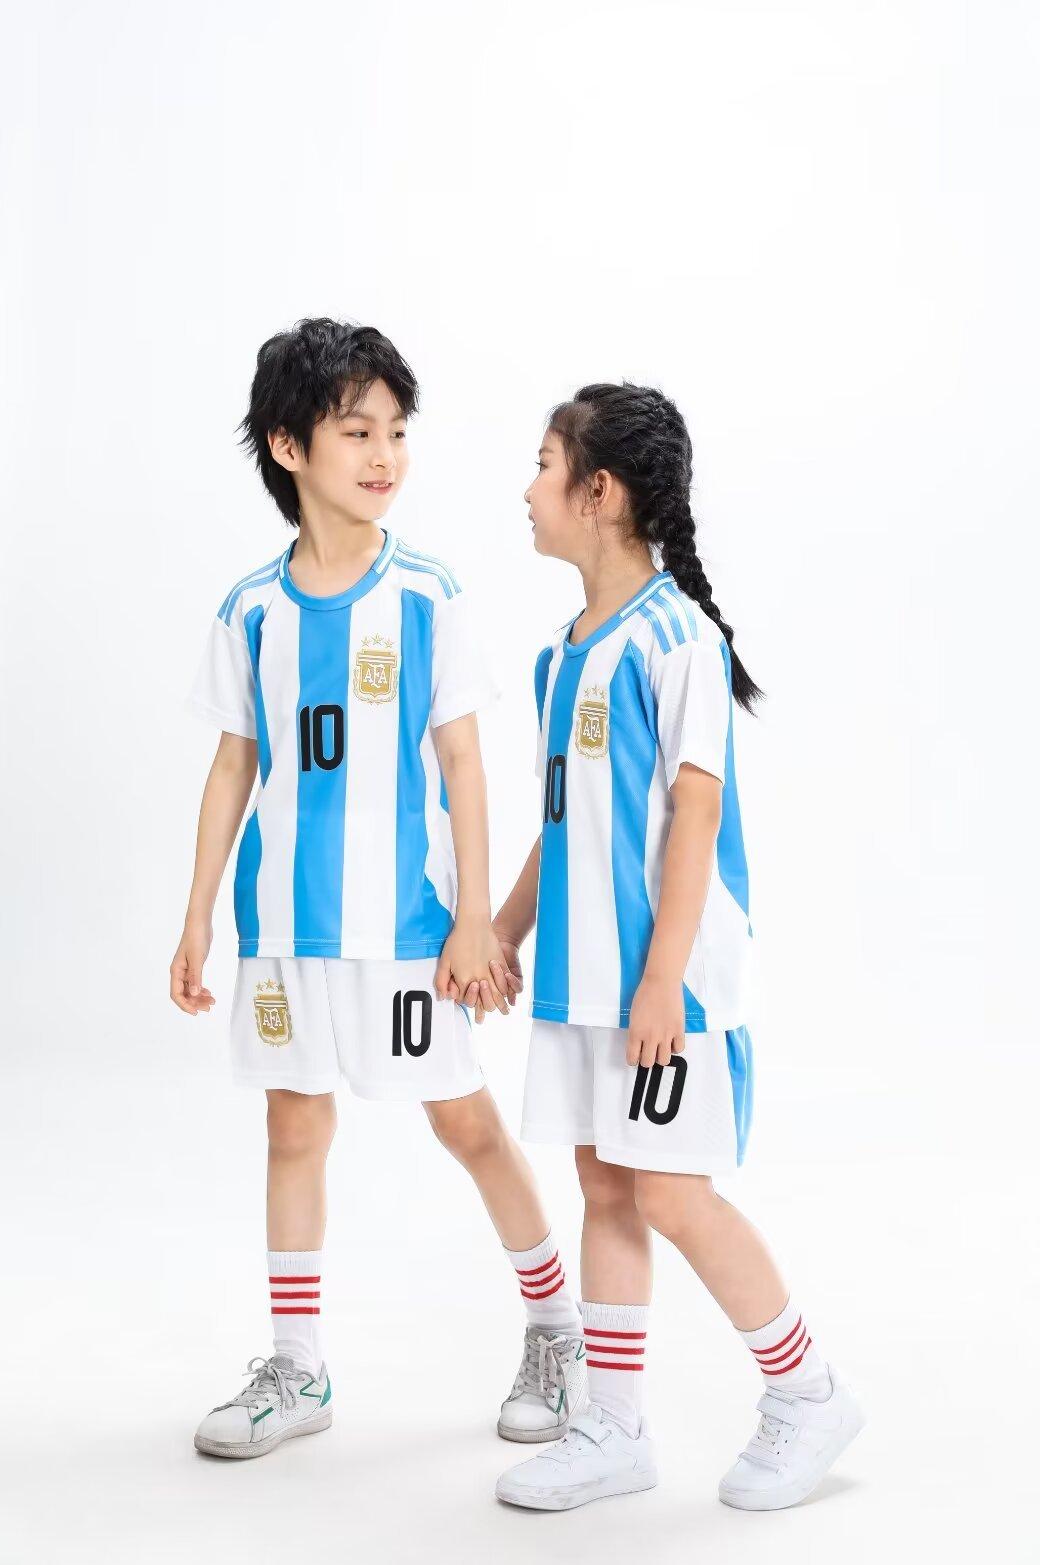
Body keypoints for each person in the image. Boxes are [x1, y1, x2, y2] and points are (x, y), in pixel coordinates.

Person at [172, 317, 586, 1460]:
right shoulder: (250, 609)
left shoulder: (424, 595)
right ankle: (297, 1366)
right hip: (283, 925)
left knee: (465, 1119)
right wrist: (198, 915)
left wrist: (472, 919)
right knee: (293, 1123)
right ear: (287, 445)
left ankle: (560, 1330)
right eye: (357, 431)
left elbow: (464, 763)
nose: (384, 455)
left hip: (407, 923)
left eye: (397, 431)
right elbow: (232, 766)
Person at [489, 382, 864, 1511]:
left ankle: (808, 1390)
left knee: (671, 1190)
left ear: (598, 491)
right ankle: (613, 1426)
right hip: (585, 980)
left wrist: (662, 981)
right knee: (605, 1181)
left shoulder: (677, 637)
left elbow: (694, 815)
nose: (527, 487)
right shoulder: (563, 656)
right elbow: (563, 824)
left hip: (668, 982)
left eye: (544, 463)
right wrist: (502, 930)